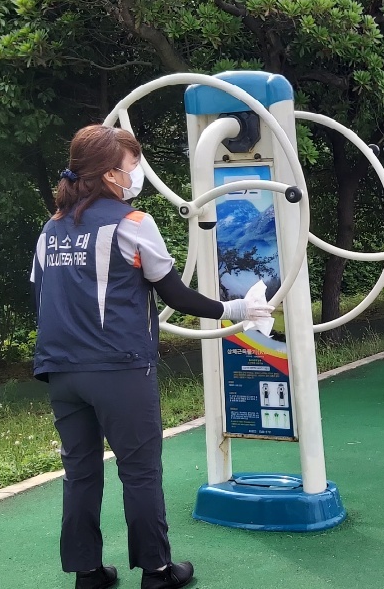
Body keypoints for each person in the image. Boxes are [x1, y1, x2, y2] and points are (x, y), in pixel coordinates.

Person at [31, 125, 273, 589]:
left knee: (79, 474)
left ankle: (88, 573)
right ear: (109, 174)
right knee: (140, 472)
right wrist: (236, 308)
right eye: (131, 165)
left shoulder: (51, 229)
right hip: (119, 367)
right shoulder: (133, 223)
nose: (136, 173)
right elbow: (175, 294)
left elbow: (42, 295)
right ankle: (157, 571)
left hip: (61, 371)